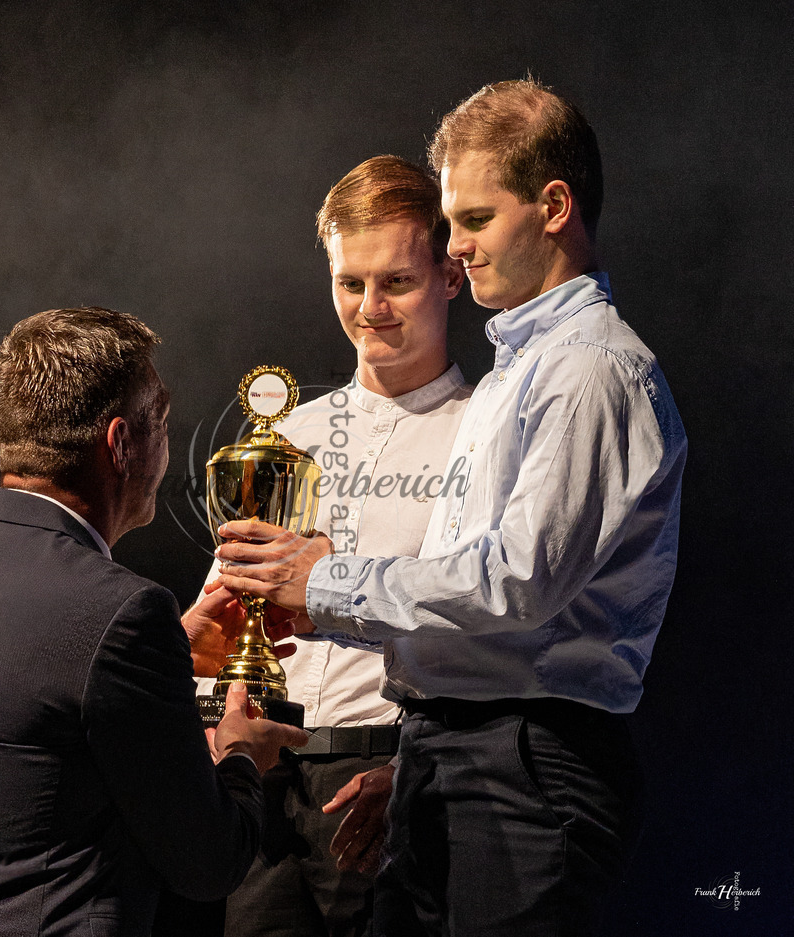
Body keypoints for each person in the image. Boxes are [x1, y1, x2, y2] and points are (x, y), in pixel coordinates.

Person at [214, 79, 688, 936]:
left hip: (523, 753)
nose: (459, 247)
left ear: (554, 205)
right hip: (456, 745)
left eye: (473, 220)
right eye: (349, 281)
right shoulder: (524, 368)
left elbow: (515, 582)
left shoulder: (586, 372)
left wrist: (329, 585)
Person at [0, 307, 307, 937]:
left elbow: (16, 743)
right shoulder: (121, 612)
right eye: (163, 423)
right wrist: (242, 758)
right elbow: (208, 862)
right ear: (119, 444)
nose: (167, 447)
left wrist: (167, 651)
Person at [194, 155, 470, 937]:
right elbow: (223, 618)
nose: (370, 307)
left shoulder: (483, 432)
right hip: (263, 774)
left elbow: (485, 625)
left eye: (397, 282)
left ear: (452, 275)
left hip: (383, 772)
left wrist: (414, 770)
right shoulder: (286, 437)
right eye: (351, 283)